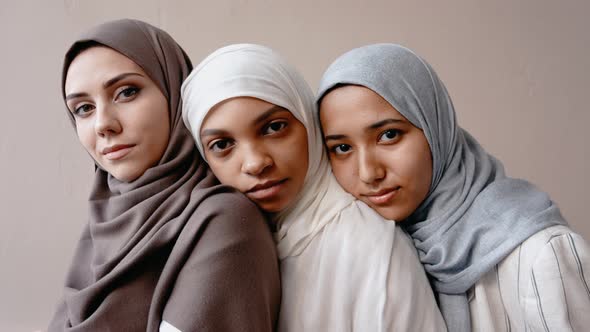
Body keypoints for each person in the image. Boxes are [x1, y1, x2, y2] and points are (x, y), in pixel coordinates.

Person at [317, 43, 590, 331]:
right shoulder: (380, 250)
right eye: (342, 147)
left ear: (436, 128)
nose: (368, 172)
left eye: (389, 134)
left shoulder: (542, 253)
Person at [181, 43, 446, 331]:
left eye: (273, 128)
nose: (255, 163)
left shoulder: (371, 249)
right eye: (222, 145)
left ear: (307, 121)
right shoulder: (228, 244)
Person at [49, 19, 280, 332]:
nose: (103, 124)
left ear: (175, 92)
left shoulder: (223, 220)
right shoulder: (105, 219)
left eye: (126, 92)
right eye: (83, 109)